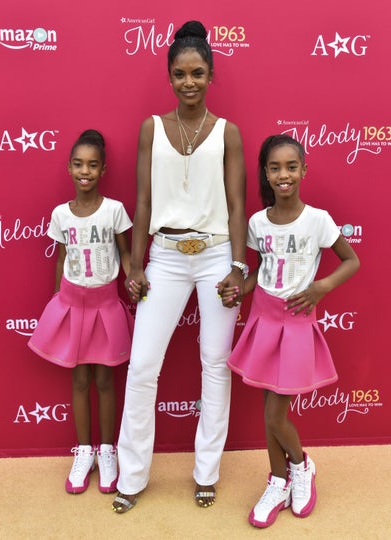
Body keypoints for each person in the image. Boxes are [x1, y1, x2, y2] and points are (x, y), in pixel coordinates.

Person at [111, 20, 247, 514]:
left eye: (197, 73)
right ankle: (132, 475)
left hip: (215, 256)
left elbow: (237, 203)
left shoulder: (228, 133)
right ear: (169, 76)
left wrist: (238, 266)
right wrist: (135, 263)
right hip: (165, 257)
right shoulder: (151, 127)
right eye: (180, 74)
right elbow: (143, 200)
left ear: (211, 75)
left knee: (215, 364)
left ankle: (206, 473)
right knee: (143, 365)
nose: (189, 82)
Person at [219, 134, 360, 528]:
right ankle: (278, 481)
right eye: (275, 168)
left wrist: (321, 287)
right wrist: (239, 290)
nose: (284, 175)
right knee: (269, 411)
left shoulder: (318, 220)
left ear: (303, 170)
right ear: (266, 173)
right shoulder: (257, 222)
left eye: (291, 167)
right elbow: (260, 271)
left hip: (296, 323)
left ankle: (300, 465)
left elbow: (351, 261)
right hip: (264, 321)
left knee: (274, 416)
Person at [28, 129, 138, 495]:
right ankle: (84, 452)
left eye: (92, 165)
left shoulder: (114, 210)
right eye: (78, 164)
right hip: (72, 305)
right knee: (79, 380)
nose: (85, 171)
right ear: (69, 168)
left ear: (103, 169)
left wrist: (134, 277)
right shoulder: (61, 214)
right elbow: (61, 259)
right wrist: (56, 303)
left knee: (104, 381)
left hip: (106, 305)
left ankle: (107, 450)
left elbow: (125, 253)